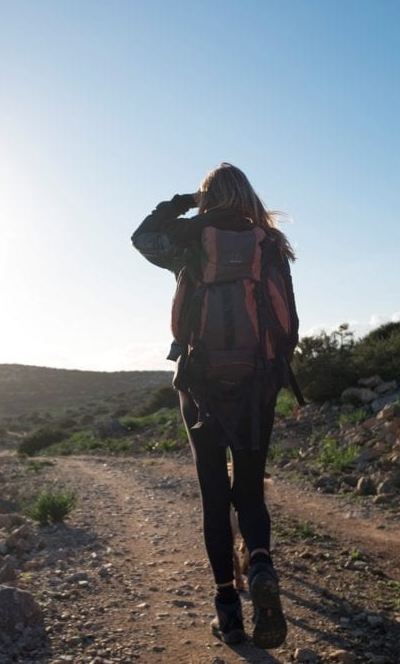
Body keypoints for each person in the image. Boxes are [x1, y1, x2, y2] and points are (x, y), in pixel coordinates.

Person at [131, 163, 298, 649]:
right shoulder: (269, 244)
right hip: (256, 381)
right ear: (248, 195)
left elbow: (142, 237)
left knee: (212, 490)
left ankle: (228, 610)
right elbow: (289, 320)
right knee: (249, 485)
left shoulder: (187, 238)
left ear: (207, 199)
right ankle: (262, 563)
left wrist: (185, 202)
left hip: (200, 382)